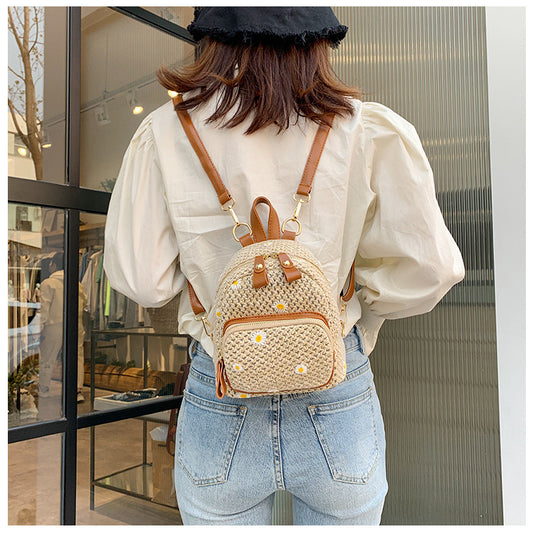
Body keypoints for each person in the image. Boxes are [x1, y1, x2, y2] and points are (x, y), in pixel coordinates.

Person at [103, 7, 465, 525]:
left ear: (214, 38)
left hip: (222, 382)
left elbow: (144, 280)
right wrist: (353, 313)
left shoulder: (164, 132)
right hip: (336, 381)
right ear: (316, 40)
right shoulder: (366, 128)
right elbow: (428, 269)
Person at [39, 251, 88, 403]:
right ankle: (77, 390)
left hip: (54, 325)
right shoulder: (76, 284)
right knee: (76, 357)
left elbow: (44, 308)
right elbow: (84, 303)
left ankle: (44, 389)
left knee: (48, 356)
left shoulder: (48, 283)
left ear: (53, 264)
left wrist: (39, 327)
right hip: (75, 325)